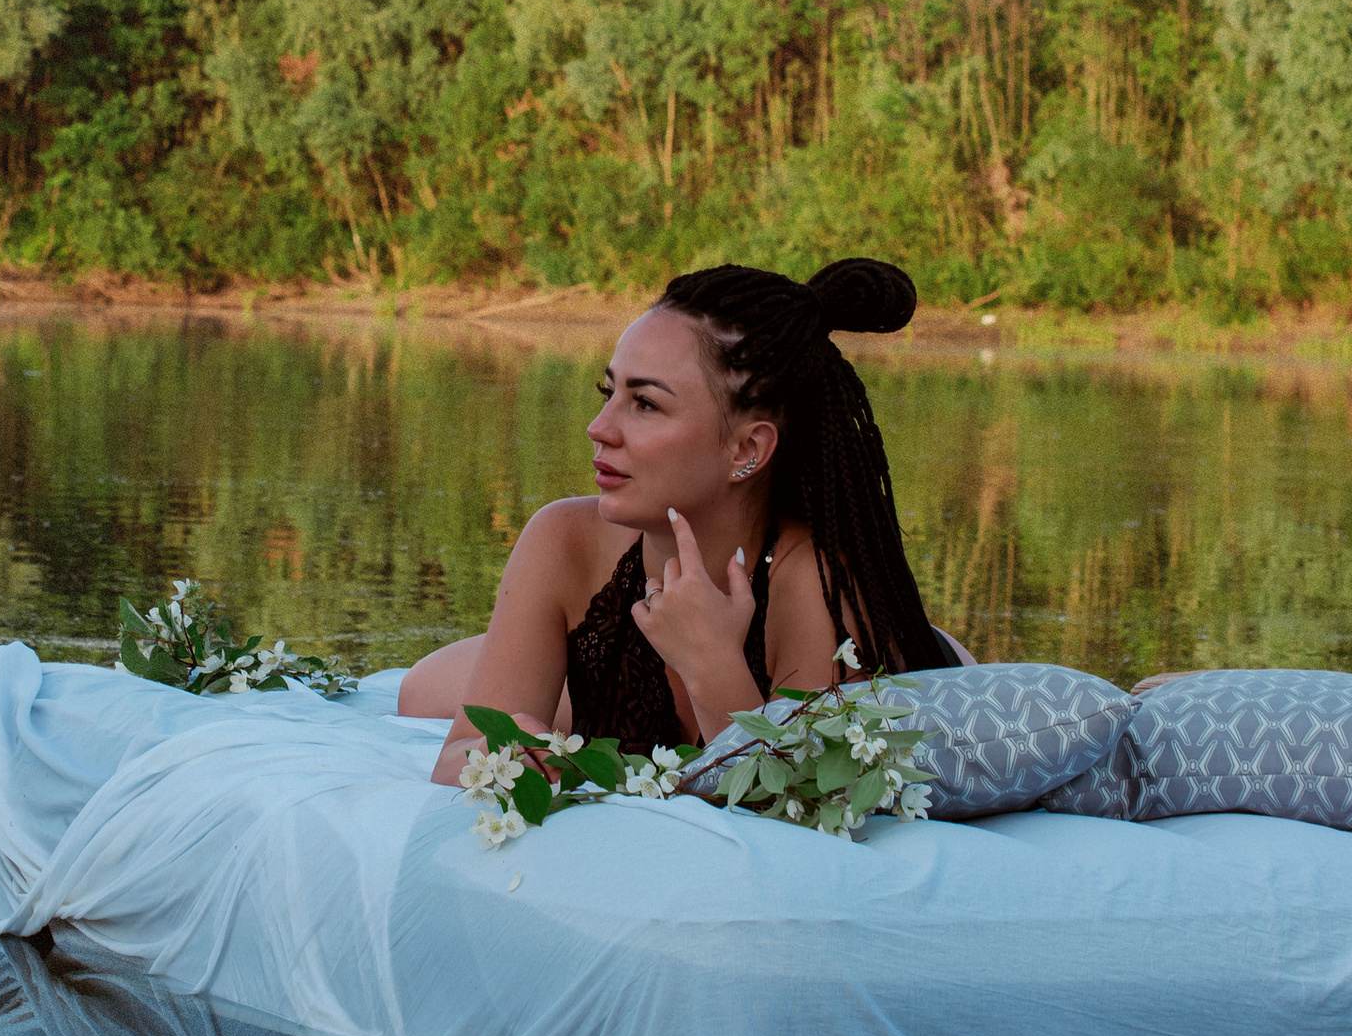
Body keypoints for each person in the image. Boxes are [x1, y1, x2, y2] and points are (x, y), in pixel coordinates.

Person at [404, 258, 965, 787]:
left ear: (747, 449)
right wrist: (510, 755)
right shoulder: (562, 539)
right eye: (609, 392)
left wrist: (712, 664)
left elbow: (796, 800)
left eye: (645, 404)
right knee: (415, 693)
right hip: (592, 658)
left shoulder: (812, 584)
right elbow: (461, 753)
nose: (599, 428)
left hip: (912, 660)